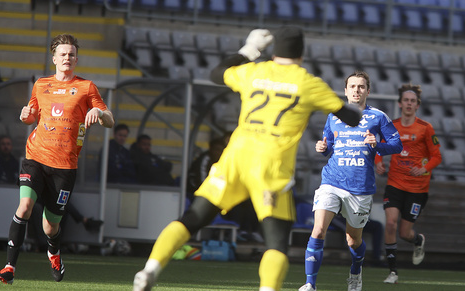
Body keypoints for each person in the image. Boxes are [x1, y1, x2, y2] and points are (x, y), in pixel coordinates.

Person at [133, 26, 362, 291]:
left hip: (235, 158)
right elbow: (351, 117)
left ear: (274, 50)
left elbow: (216, 73)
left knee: (192, 218)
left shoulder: (254, 72)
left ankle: (150, 269)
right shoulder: (307, 82)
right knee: (276, 244)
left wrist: (248, 51)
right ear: (301, 53)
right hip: (270, 166)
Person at [0, 34, 114, 285]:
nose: (67, 58)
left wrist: (99, 112)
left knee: (50, 226)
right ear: (54, 58)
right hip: (35, 156)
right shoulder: (41, 84)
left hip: (64, 166)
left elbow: (110, 120)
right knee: (24, 207)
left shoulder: (86, 87)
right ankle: (9, 268)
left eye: (71, 54)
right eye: (63, 54)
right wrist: (24, 114)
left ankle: (54, 253)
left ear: (76, 59)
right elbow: (30, 116)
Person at [298, 71, 402, 291]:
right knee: (318, 230)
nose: (357, 90)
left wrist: (378, 144)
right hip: (332, 181)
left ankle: (356, 270)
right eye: (352, 86)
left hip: (360, 187)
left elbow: (397, 144)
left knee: (353, 240)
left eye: (361, 86)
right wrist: (323, 148)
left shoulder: (379, 117)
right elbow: (331, 146)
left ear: (368, 91)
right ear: (345, 91)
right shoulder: (333, 116)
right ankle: (310, 284)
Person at [375, 84, 442, 284]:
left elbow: (436, 156)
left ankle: (417, 240)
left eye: (413, 101)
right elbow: (379, 149)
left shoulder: (425, 128)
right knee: (390, 223)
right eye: (406, 100)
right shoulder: (391, 126)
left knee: (405, 233)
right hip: (395, 183)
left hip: (417, 189)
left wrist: (424, 168)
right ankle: (393, 272)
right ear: (400, 103)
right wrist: (379, 163)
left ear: (417, 105)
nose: (409, 104)